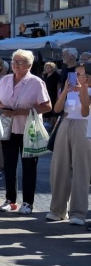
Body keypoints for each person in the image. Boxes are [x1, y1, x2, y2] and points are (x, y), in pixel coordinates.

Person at [0, 49, 52, 215]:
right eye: (14, 61)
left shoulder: (36, 82)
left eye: (19, 62)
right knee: (8, 166)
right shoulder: (5, 80)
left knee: (29, 167)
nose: (15, 65)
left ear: (29, 65)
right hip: (8, 128)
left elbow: (47, 106)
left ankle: (28, 203)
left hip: (28, 129)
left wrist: (20, 111)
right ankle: (10, 200)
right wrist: (1, 107)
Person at [47, 68, 90, 226]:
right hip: (65, 123)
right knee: (59, 167)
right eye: (76, 74)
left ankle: (78, 212)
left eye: (81, 74)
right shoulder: (68, 90)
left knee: (81, 169)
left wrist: (83, 89)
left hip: (84, 126)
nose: (77, 77)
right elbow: (57, 109)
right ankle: (57, 209)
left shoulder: (88, 89)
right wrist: (64, 91)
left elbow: (85, 110)